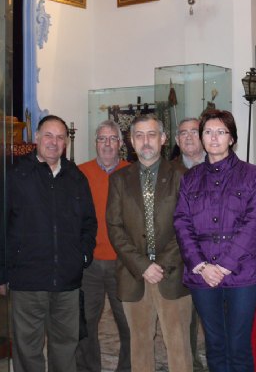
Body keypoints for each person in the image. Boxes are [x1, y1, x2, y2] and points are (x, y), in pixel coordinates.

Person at [0, 115, 97, 372]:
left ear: (65, 143)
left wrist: (82, 256)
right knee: (27, 350)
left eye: (60, 137)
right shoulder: (16, 176)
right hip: (27, 281)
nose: (53, 142)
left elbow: (89, 223)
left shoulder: (76, 177)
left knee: (65, 348)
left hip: (67, 283)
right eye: (48, 135)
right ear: (36, 137)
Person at [174, 109, 256, 372]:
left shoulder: (251, 175)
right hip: (202, 274)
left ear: (232, 138)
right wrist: (202, 266)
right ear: (202, 137)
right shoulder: (190, 178)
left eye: (221, 132)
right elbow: (182, 223)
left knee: (238, 345)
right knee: (214, 344)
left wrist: (224, 265)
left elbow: (254, 224)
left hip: (242, 271)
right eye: (208, 132)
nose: (214, 138)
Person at [106, 114, 192, 372]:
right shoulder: (119, 180)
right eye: (139, 135)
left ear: (163, 139)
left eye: (152, 134)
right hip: (134, 275)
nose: (146, 141)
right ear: (131, 141)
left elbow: (187, 226)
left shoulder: (182, 176)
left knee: (179, 347)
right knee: (140, 349)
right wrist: (143, 265)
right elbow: (115, 228)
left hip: (172, 274)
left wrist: (161, 264)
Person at [77, 120, 131, 372]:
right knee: (85, 325)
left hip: (124, 264)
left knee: (129, 325)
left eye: (112, 139)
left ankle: (127, 368)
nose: (107, 144)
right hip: (89, 265)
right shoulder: (79, 173)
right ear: (95, 142)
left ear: (120, 143)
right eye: (102, 139)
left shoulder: (132, 173)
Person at [172, 117, 207, 372]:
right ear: (176, 140)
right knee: (185, 322)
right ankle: (192, 364)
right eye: (183, 133)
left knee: (217, 321)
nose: (188, 137)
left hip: (217, 260)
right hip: (179, 258)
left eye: (194, 132)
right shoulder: (168, 172)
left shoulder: (219, 164)